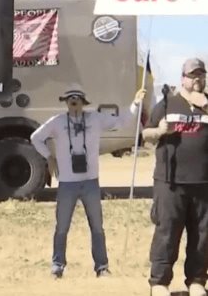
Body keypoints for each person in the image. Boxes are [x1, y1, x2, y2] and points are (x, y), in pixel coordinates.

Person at [30, 83, 145, 279]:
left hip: (90, 182)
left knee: (97, 226)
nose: (74, 101)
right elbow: (35, 137)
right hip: (67, 183)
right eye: (70, 98)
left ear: (83, 102)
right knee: (62, 226)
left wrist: (135, 103)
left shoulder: (95, 119)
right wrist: (49, 156)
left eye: (77, 98)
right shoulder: (57, 121)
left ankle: (102, 267)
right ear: (66, 102)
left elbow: (122, 121)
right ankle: (57, 266)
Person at [142, 58, 208, 296]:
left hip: (203, 182)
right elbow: (145, 134)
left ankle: (197, 280)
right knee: (167, 232)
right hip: (170, 182)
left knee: (202, 235)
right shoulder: (168, 102)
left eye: (201, 75)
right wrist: (160, 131)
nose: (197, 79)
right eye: (192, 75)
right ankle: (159, 282)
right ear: (183, 78)